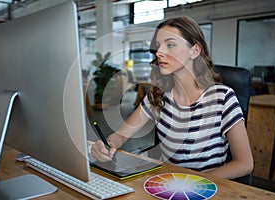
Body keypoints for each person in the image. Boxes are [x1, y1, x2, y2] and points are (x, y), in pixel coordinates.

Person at [91, 16, 254, 180]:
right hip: (165, 184)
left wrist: (193, 183)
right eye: (159, 46)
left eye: (170, 45)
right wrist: (108, 145)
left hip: (206, 189)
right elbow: (121, 136)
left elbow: (245, 163)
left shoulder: (223, 98)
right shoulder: (157, 96)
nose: (159, 52)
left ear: (195, 50)